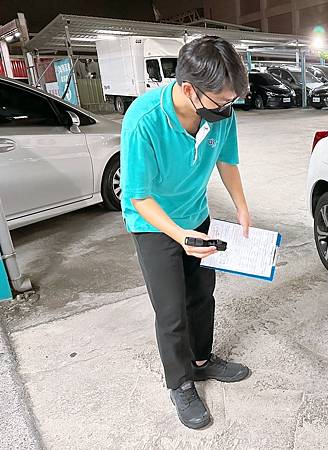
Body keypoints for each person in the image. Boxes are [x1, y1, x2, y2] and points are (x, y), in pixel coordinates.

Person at [120, 36, 251, 430]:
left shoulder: (221, 113)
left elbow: (227, 161)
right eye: (220, 101)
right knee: (171, 308)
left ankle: (201, 361)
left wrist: (242, 205)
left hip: (197, 214)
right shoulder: (144, 121)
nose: (227, 109)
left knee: (200, 294)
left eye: (232, 101)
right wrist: (179, 235)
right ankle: (180, 383)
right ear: (190, 89)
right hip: (153, 223)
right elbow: (138, 196)